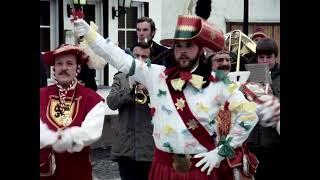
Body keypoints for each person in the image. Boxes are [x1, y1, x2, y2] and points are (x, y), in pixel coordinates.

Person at [74, 13, 260, 179]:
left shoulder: (218, 83)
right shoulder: (156, 75)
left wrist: (221, 152)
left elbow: (249, 115)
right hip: (163, 169)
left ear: (201, 49)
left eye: (189, 45)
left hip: (201, 169)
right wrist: (90, 35)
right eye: (179, 46)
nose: (183, 51)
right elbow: (120, 59)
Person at [40, 44, 106, 180]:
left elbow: (91, 133)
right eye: (59, 64)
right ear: (54, 68)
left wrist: (66, 139)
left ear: (78, 68)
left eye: (69, 63)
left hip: (77, 172)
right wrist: (49, 137)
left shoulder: (92, 99)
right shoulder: (41, 94)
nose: (64, 68)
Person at [107, 42, 154, 180]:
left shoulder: (156, 78)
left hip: (149, 148)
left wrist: (150, 88)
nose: (140, 60)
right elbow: (111, 103)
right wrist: (130, 89)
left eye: (144, 57)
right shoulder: (121, 77)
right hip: (126, 149)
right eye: (136, 55)